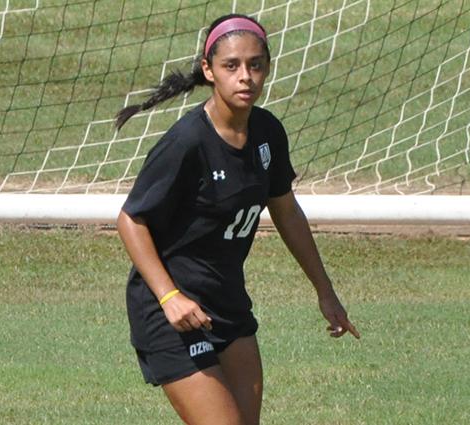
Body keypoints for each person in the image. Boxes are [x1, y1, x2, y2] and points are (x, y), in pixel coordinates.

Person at [115, 14, 360, 425]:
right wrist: (169, 297)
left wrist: (325, 291)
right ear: (209, 70)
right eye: (231, 66)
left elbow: (285, 210)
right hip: (170, 311)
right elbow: (130, 220)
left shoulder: (268, 132)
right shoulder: (187, 142)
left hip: (227, 305)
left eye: (256, 64)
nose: (245, 76)